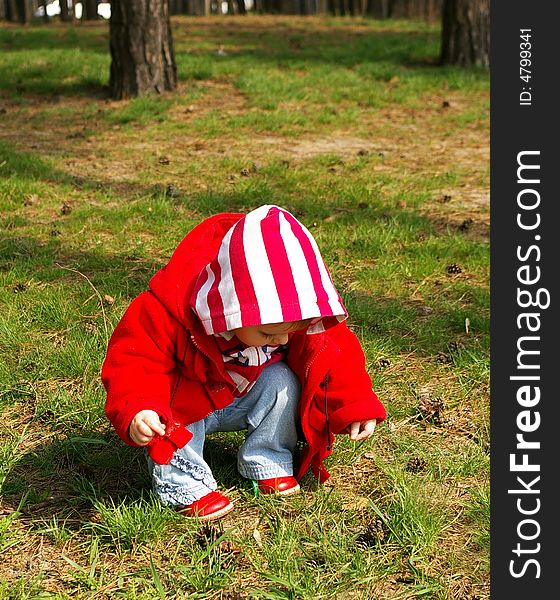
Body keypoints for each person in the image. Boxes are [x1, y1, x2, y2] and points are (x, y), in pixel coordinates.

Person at [102, 204, 386, 521]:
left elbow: (336, 353)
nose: (281, 340)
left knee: (281, 381)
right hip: (187, 404)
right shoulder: (167, 311)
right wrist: (139, 408)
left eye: (291, 332)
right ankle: (184, 485)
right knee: (170, 399)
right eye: (268, 332)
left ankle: (265, 457)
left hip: (241, 395)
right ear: (231, 307)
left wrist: (354, 403)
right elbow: (134, 361)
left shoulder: (293, 321)